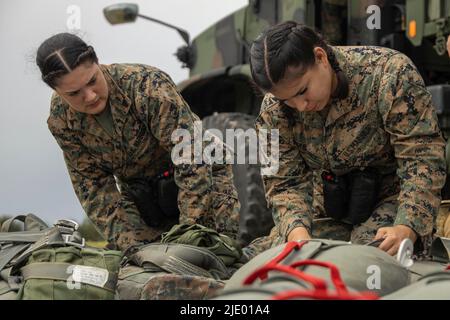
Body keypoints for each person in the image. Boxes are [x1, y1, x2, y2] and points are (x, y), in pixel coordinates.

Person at [245, 21, 446, 258]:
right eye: (287, 100)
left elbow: (422, 158)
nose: (301, 107)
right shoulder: (273, 109)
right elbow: (283, 184)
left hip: (394, 201)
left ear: (320, 57)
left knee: (366, 259)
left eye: (302, 91)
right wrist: (298, 237)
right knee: (257, 259)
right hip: (328, 206)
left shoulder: (389, 74)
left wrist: (407, 227)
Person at [36, 33, 240, 251]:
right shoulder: (62, 120)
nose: (90, 96)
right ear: (56, 91)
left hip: (203, 175)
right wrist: (131, 247)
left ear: (97, 62)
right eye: (74, 93)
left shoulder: (147, 86)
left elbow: (191, 160)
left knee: (209, 253)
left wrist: (189, 234)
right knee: (142, 266)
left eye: (93, 81)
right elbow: (94, 189)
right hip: (143, 196)